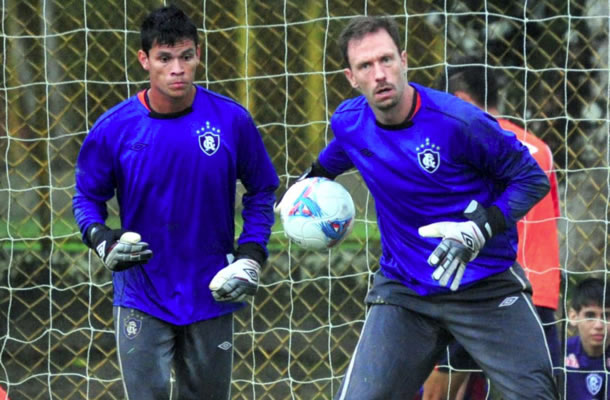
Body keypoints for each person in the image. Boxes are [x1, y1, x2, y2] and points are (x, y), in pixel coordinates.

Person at [276, 16, 558, 399]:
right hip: (405, 290)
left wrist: (481, 227)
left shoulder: (458, 120)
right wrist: (300, 194)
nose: (379, 74)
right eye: (365, 65)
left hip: (484, 285)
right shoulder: (350, 123)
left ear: (404, 60)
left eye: (386, 59)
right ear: (351, 77)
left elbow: (531, 178)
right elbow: (327, 165)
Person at [72, 5, 279, 399]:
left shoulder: (231, 121)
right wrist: (102, 240)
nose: (178, 69)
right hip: (141, 293)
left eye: (186, 56)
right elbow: (86, 197)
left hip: (213, 291)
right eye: (164, 58)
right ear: (144, 60)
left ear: (198, 54)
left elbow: (262, 190)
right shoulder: (114, 128)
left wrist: (251, 254)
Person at [421, 57, 562, 400]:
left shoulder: (463, 143)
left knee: (441, 391)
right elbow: (550, 218)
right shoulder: (541, 150)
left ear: (460, 100)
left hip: (479, 287)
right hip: (539, 291)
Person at [564, 277, 610, 400]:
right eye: (590, 315)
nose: (599, 325)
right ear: (573, 317)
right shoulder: (560, 355)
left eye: (607, 316)